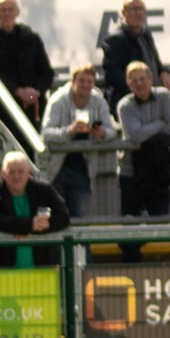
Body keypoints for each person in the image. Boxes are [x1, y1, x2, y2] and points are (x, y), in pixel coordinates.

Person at [115, 60, 170, 261]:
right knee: (130, 221)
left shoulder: (163, 96)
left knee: (160, 219)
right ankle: (130, 264)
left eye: (143, 79)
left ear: (151, 79)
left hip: (159, 169)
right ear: (128, 84)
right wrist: (160, 124)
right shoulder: (124, 105)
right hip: (130, 171)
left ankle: (125, 241)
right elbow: (134, 135)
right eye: (134, 81)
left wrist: (148, 132)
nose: (139, 84)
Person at [39, 61, 113, 219]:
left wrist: (102, 133)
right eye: (81, 81)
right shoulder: (58, 100)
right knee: (57, 218)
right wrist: (69, 131)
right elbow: (46, 134)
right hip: (57, 169)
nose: (85, 85)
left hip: (84, 170)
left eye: (89, 81)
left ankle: (81, 245)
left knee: (81, 219)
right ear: (72, 82)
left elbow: (112, 131)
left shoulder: (98, 101)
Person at [0, 0, 54, 129]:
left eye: (10, 9)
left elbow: (46, 73)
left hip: (34, 107)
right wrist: (18, 91)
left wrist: (36, 92)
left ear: (17, 12)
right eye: (2, 10)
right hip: (4, 107)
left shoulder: (31, 38)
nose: (6, 13)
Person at [0, 150, 70, 268]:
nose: (16, 176)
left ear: (29, 172)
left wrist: (40, 226)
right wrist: (28, 225)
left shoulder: (44, 189)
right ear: (3, 173)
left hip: (43, 266)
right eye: (11, 172)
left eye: (20, 171)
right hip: (5, 267)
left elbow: (63, 217)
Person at [100, 0, 170, 112]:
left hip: (152, 100)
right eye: (133, 9)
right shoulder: (116, 39)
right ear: (123, 13)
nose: (138, 13)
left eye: (141, 9)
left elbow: (155, 61)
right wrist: (139, 90)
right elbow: (112, 73)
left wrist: (163, 71)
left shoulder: (146, 35)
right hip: (130, 102)